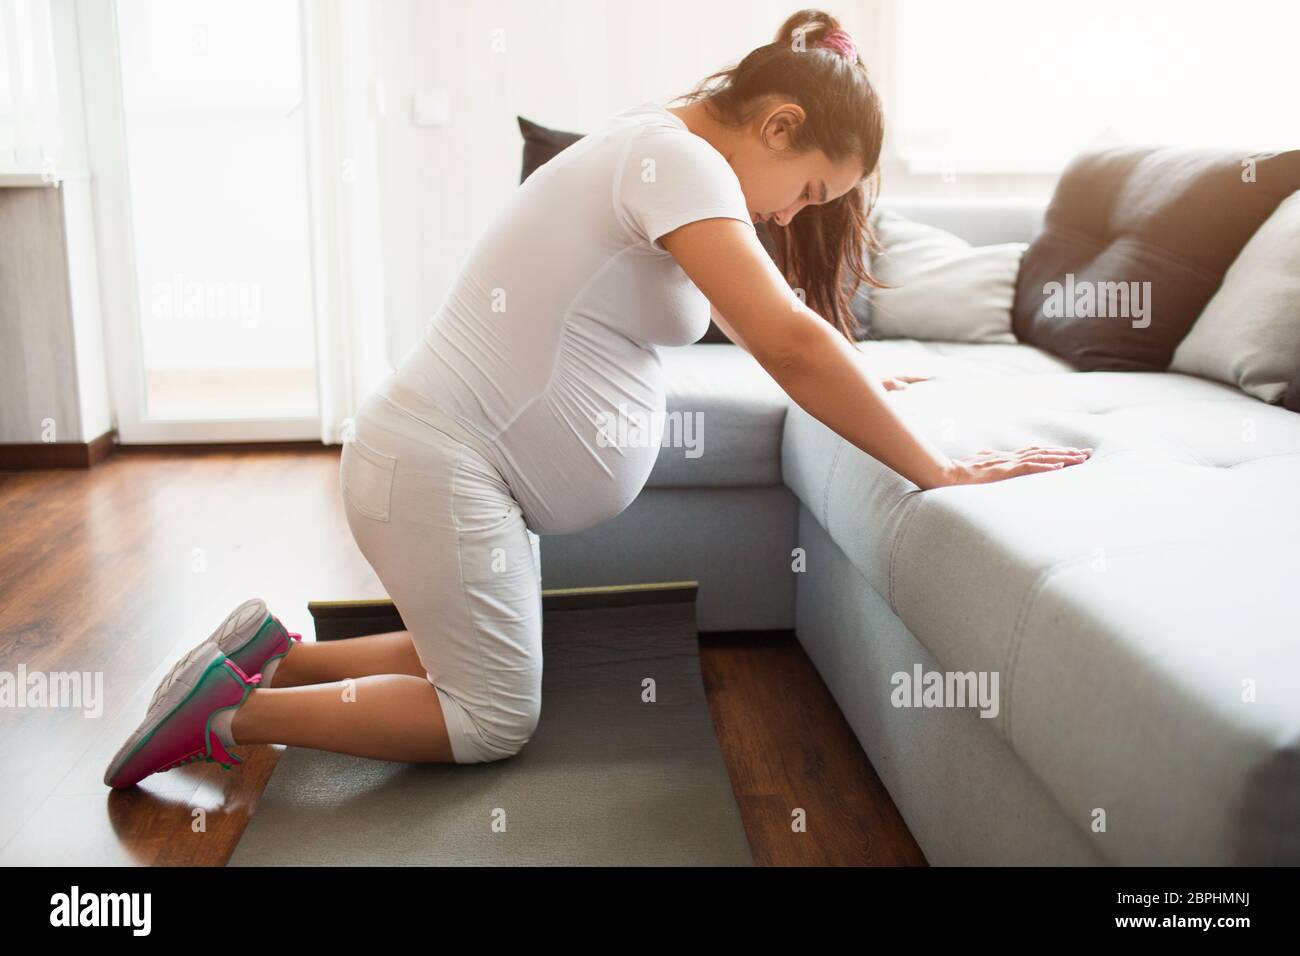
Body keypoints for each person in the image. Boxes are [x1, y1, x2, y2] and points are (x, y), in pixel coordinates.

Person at [105, 9, 1089, 788]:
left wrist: (867, 378)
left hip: (452, 468)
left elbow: (779, 317)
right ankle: (225, 714)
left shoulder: (665, 154)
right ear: (779, 126)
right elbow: (785, 338)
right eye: (810, 188)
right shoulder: (672, 158)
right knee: (488, 716)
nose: (793, 214)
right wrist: (936, 466)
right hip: (441, 463)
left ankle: (272, 654)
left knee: (481, 647)